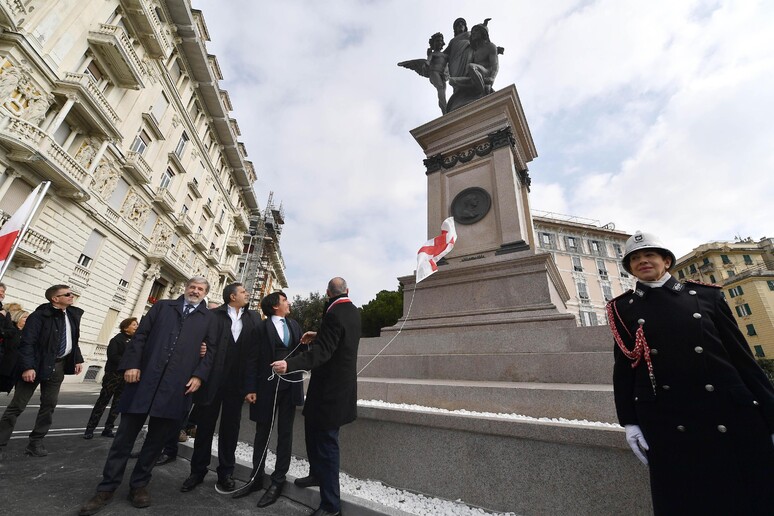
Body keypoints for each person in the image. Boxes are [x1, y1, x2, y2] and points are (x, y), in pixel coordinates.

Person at [607, 231, 774, 515]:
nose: (642, 261)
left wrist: (771, 414)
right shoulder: (622, 309)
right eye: (634, 258)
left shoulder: (707, 296)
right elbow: (624, 368)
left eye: (649, 255)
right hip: (668, 419)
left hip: (729, 411)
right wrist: (629, 421)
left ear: (666, 261)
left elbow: (742, 358)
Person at [78, 276, 216, 515]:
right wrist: (132, 365)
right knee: (123, 440)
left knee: (156, 443)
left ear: (205, 293)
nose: (195, 291)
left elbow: (211, 351)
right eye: (192, 287)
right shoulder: (163, 307)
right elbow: (140, 336)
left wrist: (199, 376)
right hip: (142, 382)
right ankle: (106, 488)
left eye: (200, 289)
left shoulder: (210, 319)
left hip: (176, 387)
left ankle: (139, 485)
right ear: (185, 288)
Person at [271, 277, 361, 516]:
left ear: (326, 293)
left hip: (330, 392)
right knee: (312, 427)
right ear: (347, 291)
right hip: (333, 388)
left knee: (327, 443)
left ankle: (331, 505)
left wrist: (289, 364)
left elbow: (323, 352)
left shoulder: (334, 314)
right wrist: (319, 334)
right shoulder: (352, 311)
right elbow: (336, 339)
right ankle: (316, 474)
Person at [181, 282, 260, 494]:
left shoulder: (253, 318)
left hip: (237, 385)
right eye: (243, 292)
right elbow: (200, 338)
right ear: (232, 297)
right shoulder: (213, 315)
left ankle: (226, 472)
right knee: (204, 428)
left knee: (230, 429)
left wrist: (251, 386)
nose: (247, 294)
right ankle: (197, 472)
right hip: (211, 382)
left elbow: (254, 355)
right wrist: (200, 348)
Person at [237, 290, 306, 507]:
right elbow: (251, 359)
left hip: (290, 387)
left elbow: (300, 352)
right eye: (285, 300)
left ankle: (278, 481)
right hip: (265, 388)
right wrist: (249, 388)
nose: (288, 302)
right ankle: (256, 478)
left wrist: (308, 343)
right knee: (262, 433)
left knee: (285, 434)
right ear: (275, 306)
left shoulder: (295, 325)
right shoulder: (260, 328)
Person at [0, 285, 84, 460]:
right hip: (36, 365)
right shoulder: (39, 316)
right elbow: (27, 343)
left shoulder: (72, 315)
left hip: (58, 366)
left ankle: (35, 442)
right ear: (55, 298)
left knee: (49, 405)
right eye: (67, 294)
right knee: (17, 405)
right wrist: (28, 367)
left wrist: (77, 358)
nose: (71, 296)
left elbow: (73, 340)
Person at [83, 317, 138, 439]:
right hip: (113, 375)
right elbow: (113, 356)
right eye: (134, 324)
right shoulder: (116, 340)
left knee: (117, 404)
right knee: (103, 401)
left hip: (125, 377)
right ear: (125, 327)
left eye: (137, 324)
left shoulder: (136, 341)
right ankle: (90, 428)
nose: (136, 326)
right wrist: (128, 364)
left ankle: (108, 428)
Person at [0, 307, 27, 393]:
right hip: (6, 367)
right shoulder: (11, 332)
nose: (28, 319)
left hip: (19, 367)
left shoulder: (28, 333)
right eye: (25, 317)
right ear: (18, 318)